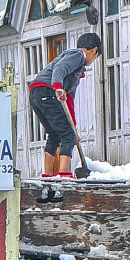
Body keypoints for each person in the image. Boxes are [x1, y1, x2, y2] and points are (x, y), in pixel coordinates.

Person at [29, 32, 101, 193]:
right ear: (94, 50)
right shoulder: (77, 55)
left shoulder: (76, 72)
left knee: (55, 134)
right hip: (47, 91)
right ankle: (64, 175)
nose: (91, 62)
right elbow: (60, 69)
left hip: (37, 93)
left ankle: (47, 175)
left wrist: (74, 128)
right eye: (95, 57)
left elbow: (68, 101)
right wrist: (57, 86)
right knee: (66, 135)